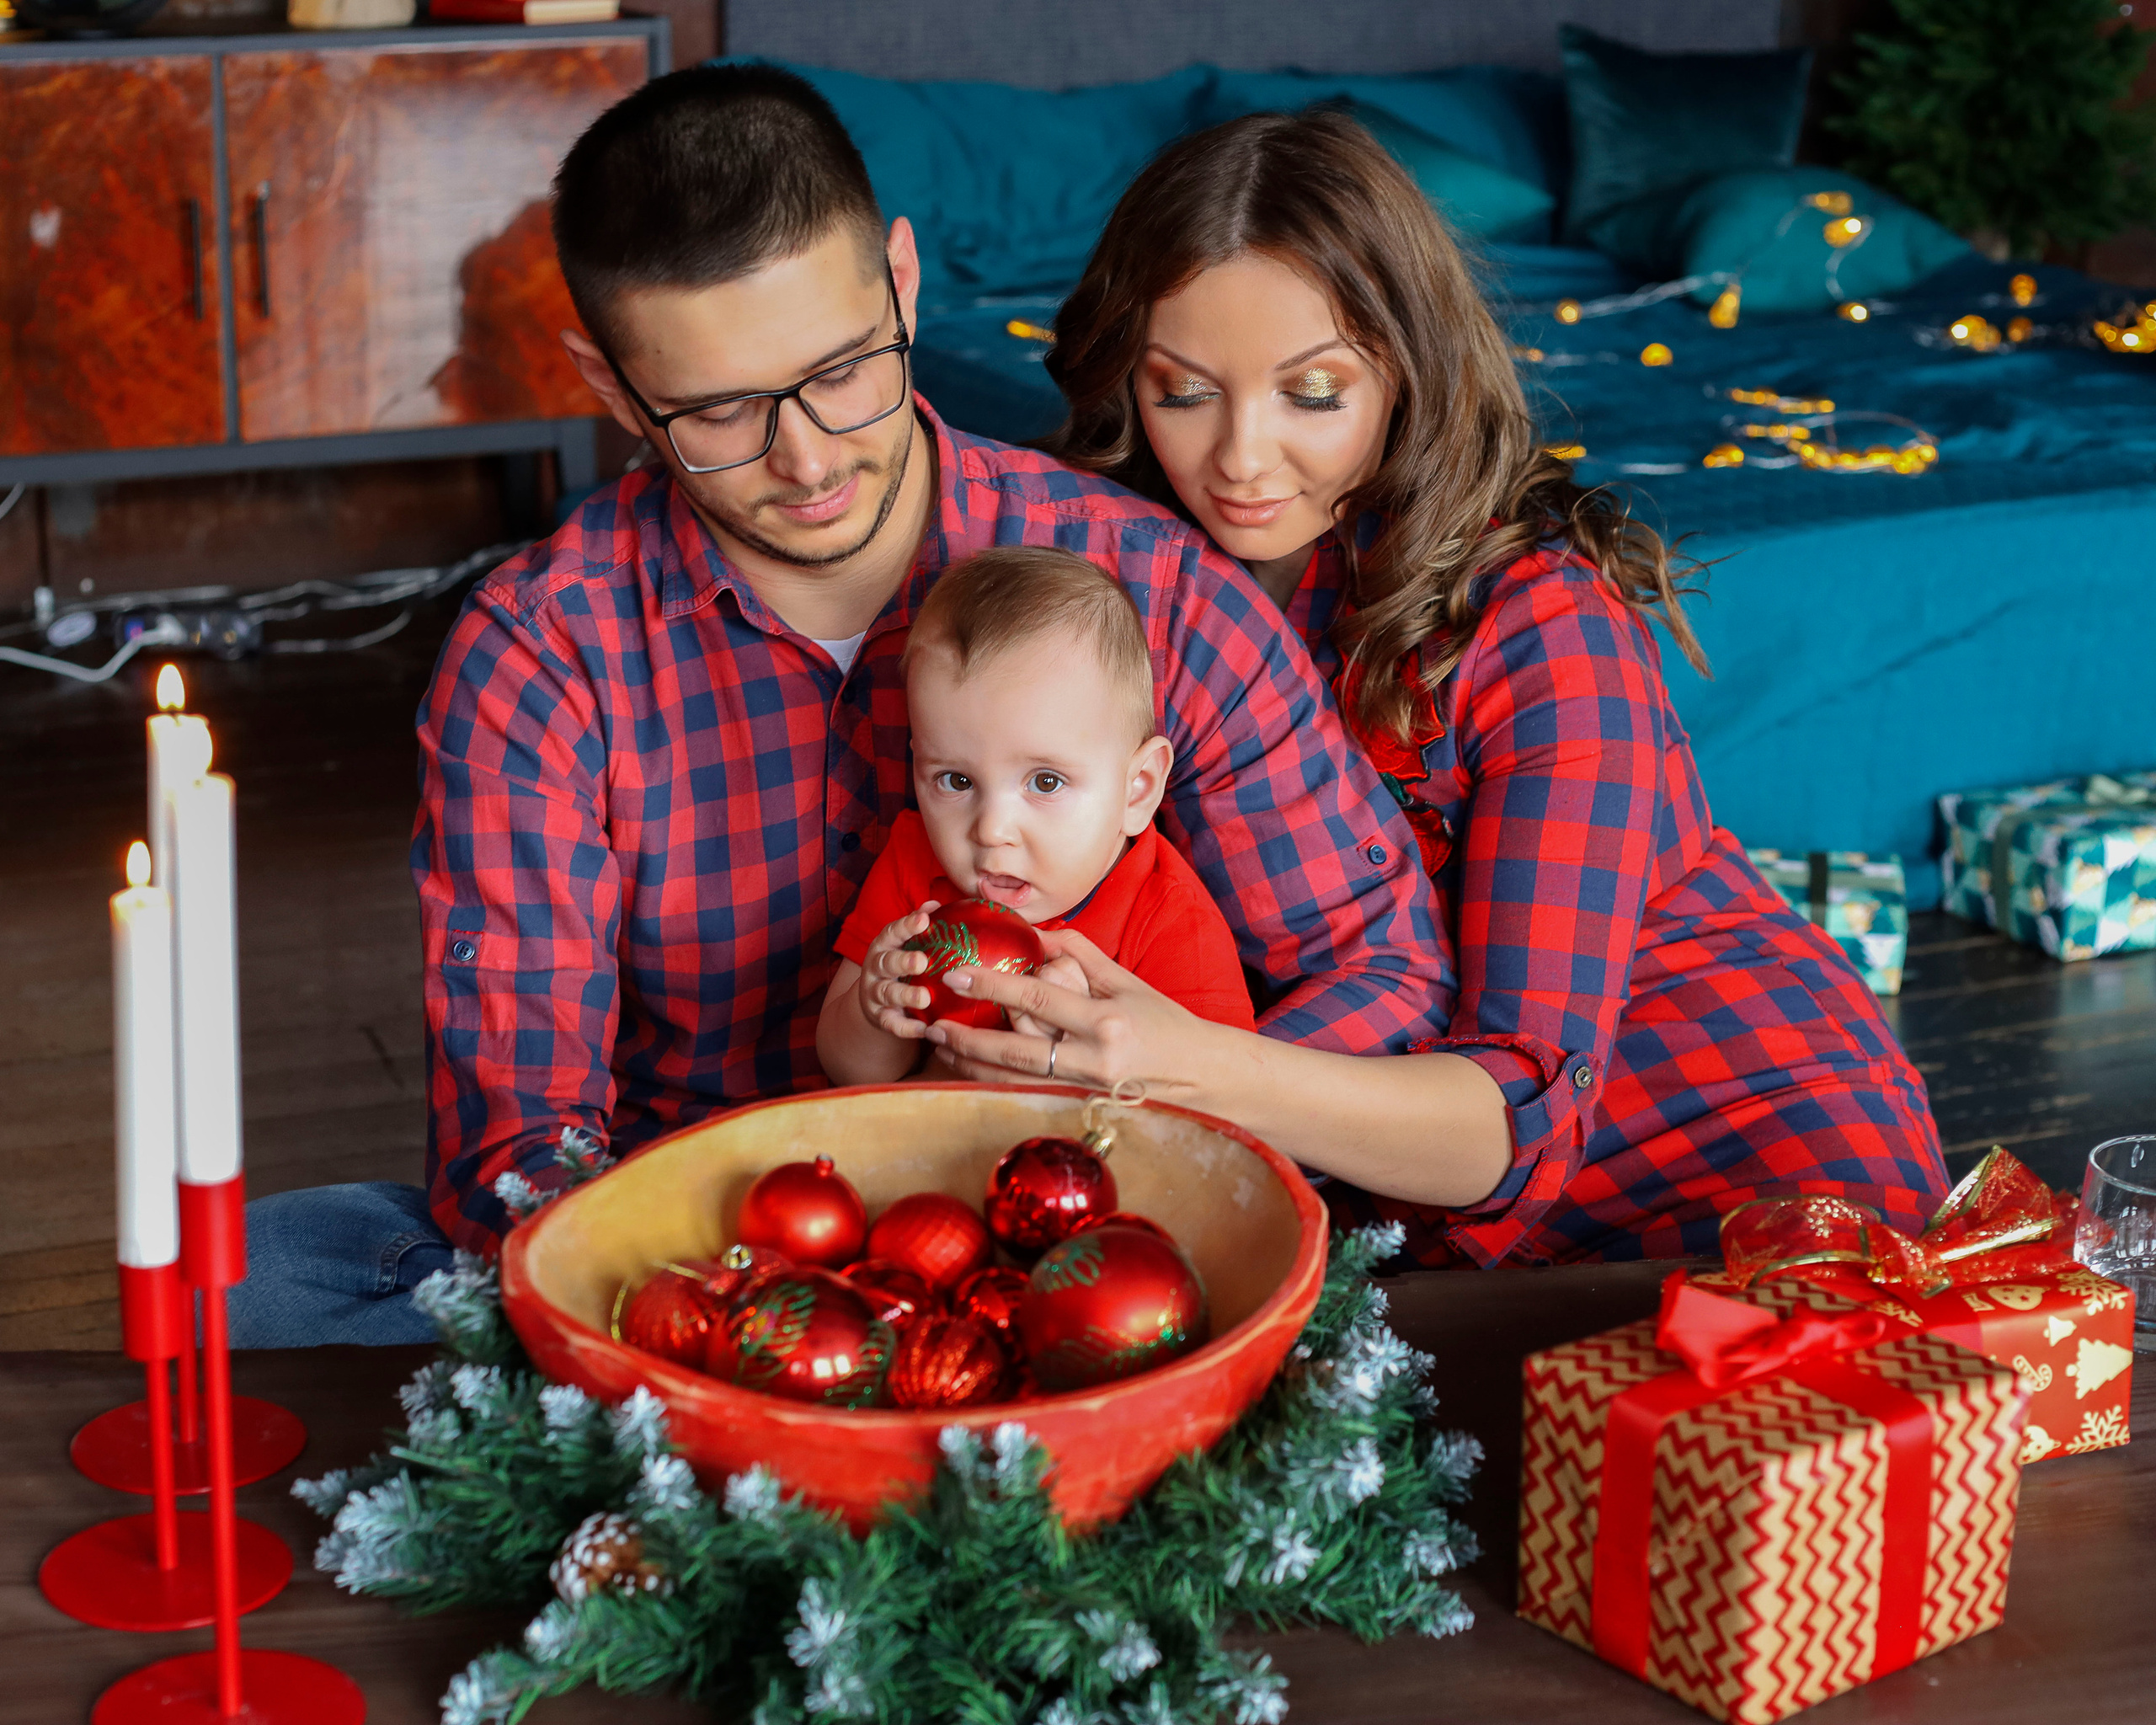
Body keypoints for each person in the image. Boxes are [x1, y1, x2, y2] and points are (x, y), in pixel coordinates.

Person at [227, 70, 1447, 1344]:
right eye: (719, 412)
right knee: (256, 1283)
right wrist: (733, 1314)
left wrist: (1161, 1132)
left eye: (843, 371)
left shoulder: (1148, 591)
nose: (806, 459)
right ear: (610, 385)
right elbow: (523, 1145)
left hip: (1086, 1244)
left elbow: (1384, 971)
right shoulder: (540, 660)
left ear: (904, 284)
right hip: (707, 1254)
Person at [925, 109, 1949, 1264]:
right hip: (1352, 1178)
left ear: (1408, 372)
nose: (1242, 458)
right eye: (1183, 391)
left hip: (1743, 1159)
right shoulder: (1113, 596)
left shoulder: (1538, 627)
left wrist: (1187, 1069)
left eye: (1313, 394)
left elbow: (1515, 1117)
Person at [820, 545, 1256, 1087]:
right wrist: (875, 1012)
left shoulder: (1171, 922)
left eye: (1045, 782)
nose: (991, 830)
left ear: (1137, 790)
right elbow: (850, 1074)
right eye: (957, 781)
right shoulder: (916, 871)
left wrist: (1079, 1072)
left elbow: (1219, 1111)